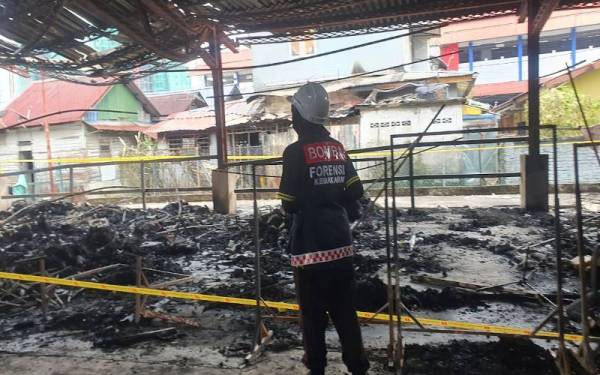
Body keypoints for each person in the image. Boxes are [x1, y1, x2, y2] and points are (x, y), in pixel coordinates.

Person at [277, 82, 369, 375]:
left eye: (293, 112)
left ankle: (317, 368)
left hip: (310, 249)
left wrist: (309, 196)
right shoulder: (337, 148)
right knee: (345, 313)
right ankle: (357, 366)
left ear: (301, 115)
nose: (292, 118)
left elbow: (289, 204)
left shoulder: (294, 152)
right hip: (341, 245)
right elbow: (356, 191)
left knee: (313, 318)